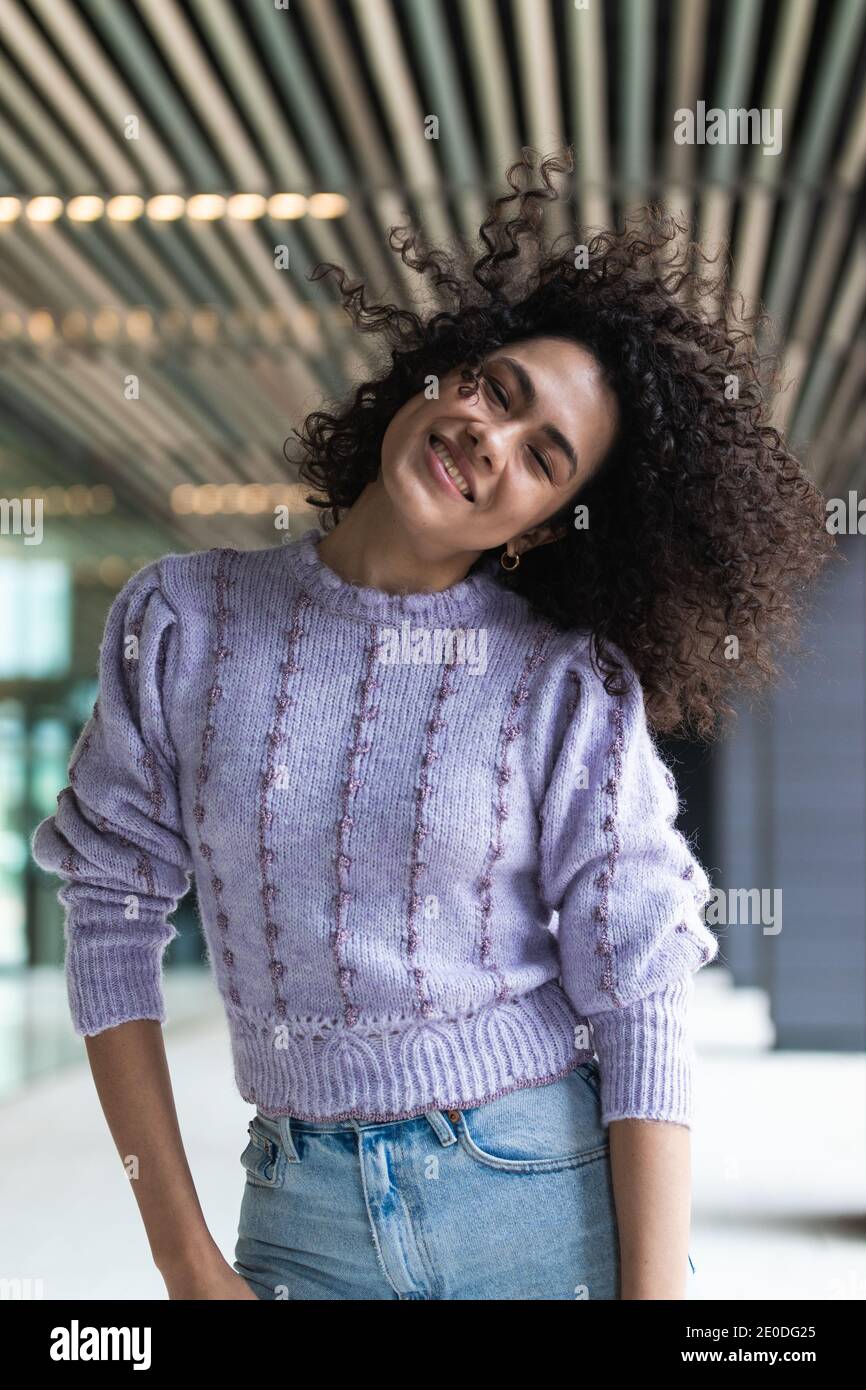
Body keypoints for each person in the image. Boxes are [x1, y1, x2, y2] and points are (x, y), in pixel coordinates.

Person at [30, 147, 835, 1300]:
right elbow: (108, 916)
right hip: (299, 1219)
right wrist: (185, 1261)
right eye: (497, 391)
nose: (490, 441)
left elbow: (640, 989)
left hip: (538, 1203)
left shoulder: (561, 684)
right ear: (443, 376)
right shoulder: (183, 619)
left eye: (541, 457)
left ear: (545, 526)